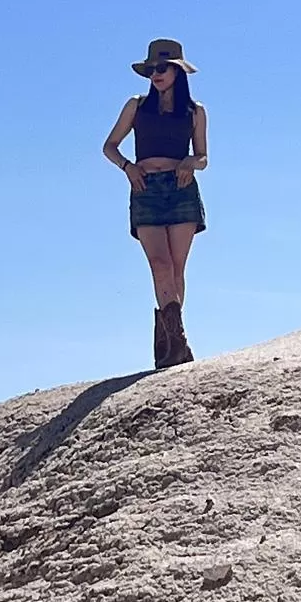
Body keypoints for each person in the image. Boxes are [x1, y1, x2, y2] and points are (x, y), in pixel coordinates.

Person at [102, 38, 209, 369]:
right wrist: (127, 167)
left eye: (162, 68)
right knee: (160, 265)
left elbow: (203, 157)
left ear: (178, 71)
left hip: (181, 188)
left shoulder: (195, 111)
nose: (156, 74)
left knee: (176, 269)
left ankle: (171, 343)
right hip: (145, 188)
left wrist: (190, 163)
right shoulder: (136, 106)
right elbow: (110, 146)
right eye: (151, 70)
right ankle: (177, 344)